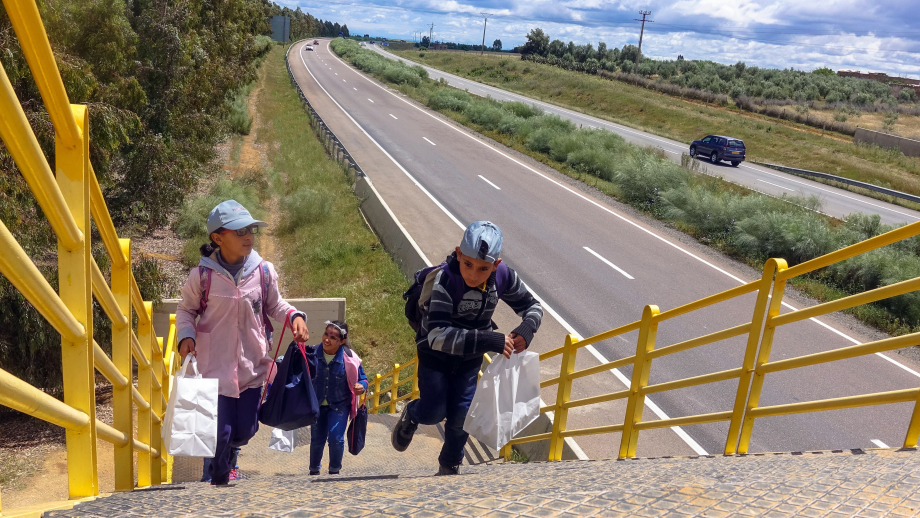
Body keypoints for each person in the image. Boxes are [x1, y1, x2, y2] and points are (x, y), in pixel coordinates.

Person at [391, 221, 543, 475]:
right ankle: (413, 413)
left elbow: (534, 306)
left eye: (483, 268)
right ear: (458, 254)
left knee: (462, 416)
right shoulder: (446, 280)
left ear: (496, 265)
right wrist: (489, 340)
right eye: (468, 264)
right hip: (435, 355)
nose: (473, 274)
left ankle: (450, 466)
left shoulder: (503, 276)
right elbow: (437, 336)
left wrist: (527, 329)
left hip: (468, 359)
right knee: (434, 412)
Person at [176, 199, 308, 485]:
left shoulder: (263, 272)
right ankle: (216, 476)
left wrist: (294, 316)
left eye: (250, 229)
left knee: (245, 430)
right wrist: (186, 336)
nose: (248, 236)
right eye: (239, 231)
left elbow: (276, 305)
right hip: (214, 368)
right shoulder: (202, 276)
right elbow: (186, 310)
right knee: (220, 432)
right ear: (217, 238)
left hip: (252, 366)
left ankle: (228, 455)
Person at [306, 320, 368, 475]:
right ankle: (313, 471)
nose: (327, 339)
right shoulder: (311, 354)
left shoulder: (350, 359)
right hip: (317, 406)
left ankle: (334, 472)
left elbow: (363, 379)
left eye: (333, 337)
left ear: (342, 341)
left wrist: (361, 386)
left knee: (336, 439)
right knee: (316, 441)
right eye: (326, 334)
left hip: (340, 406)